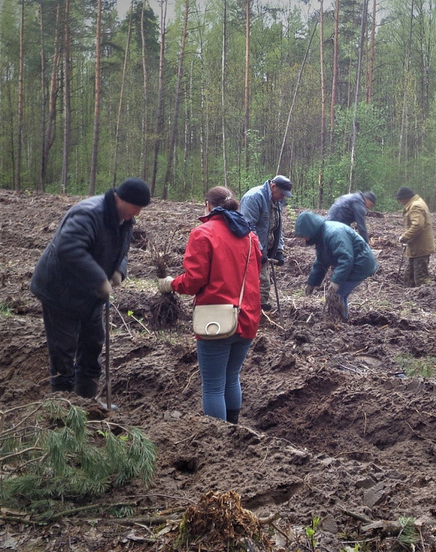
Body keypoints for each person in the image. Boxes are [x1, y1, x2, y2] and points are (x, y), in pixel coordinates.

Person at [31, 178, 151, 398]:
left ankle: (87, 404)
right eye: (136, 208)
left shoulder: (125, 219)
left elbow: (121, 251)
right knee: (64, 351)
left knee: (93, 343)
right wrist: (99, 280)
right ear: (121, 199)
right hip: (60, 292)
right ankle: (63, 413)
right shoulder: (89, 214)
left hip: (90, 295)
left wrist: (118, 272)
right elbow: (69, 248)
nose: (138, 214)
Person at [158, 187, 261, 424]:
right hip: (247, 317)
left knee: (213, 386)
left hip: (216, 320)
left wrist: (171, 284)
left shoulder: (202, 234)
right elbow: (257, 271)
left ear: (207, 205)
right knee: (231, 376)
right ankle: (233, 431)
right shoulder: (249, 236)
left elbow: (194, 281)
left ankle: (218, 439)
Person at [295, 211, 378, 320]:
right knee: (340, 294)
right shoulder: (322, 236)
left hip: (361, 264)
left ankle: (339, 322)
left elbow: (346, 258)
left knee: (336, 294)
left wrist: (336, 282)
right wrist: (312, 283)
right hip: (354, 263)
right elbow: (321, 262)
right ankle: (342, 319)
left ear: (311, 230)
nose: (304, 239)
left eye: (304, 235)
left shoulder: (334, 233)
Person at [240, 175, 292, 311]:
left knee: (262, 280)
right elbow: (248, 226)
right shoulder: (254, 197)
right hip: (251, 247)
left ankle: (257, 308)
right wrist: (258, 249)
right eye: (281, 193)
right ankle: (256, 310)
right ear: (273, 186)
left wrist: (278, 250)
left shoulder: (277, 200)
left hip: (265, 248)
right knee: (261, 281)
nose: (282, 197)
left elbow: (277, 226)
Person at [395, 186, 435, 287]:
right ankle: (409, 298)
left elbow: (418, 226)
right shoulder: (418, 202)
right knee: (409, 277)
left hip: (420, 248)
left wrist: (404, 237)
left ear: (405, 198)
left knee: (421, 279)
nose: (400, 202)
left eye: (400, 200)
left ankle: (426, 299)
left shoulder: (415, 206)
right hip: (417, 248)